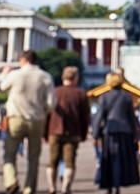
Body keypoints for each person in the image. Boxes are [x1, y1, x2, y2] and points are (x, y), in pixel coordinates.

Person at [0, 50, 55, 194]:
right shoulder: (45, 76)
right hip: (36, 119)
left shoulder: (15, 74)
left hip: (16, 117)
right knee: (33, 157)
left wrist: (4, 73)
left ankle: (11, 180)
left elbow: (1, 88)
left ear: (22, 59)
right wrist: (42, 111)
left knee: (9, 153)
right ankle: (29, 189)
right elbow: (51, 103)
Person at [45, 66, 89, 194]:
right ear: (75, 79)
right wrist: (84, 133)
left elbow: (47, 113)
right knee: (70, 162)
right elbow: (85, 117)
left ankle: (52, 187)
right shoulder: (80, 94)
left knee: (52, 161)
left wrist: (44, 132)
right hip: (73, 132)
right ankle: (65, 188)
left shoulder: (54, 92)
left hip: (54, 130)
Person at [94, 72, 140, 193]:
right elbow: (132, 117)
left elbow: (99, 117)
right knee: (121, 159)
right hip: (125, 132)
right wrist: (136, 134)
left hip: (109, 132)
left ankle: (108, 184)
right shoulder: (126, 97)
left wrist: (95, 134)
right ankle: (118, 185)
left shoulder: (104, 97)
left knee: (108, 158)